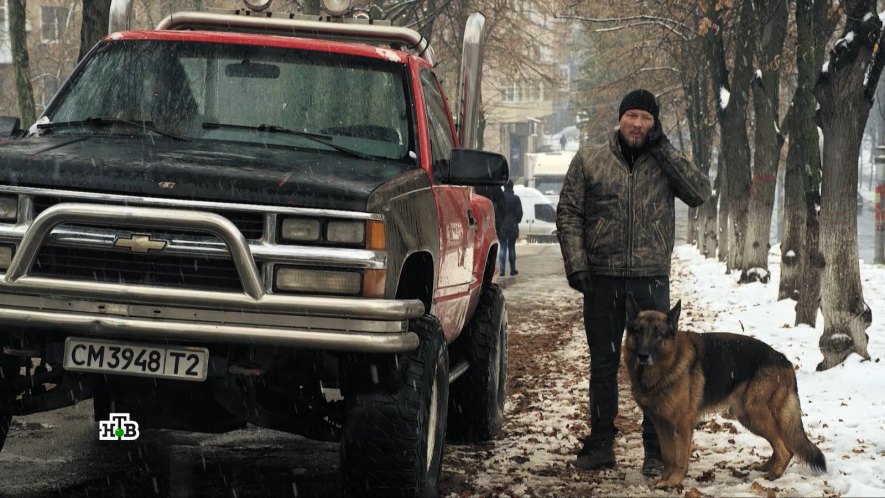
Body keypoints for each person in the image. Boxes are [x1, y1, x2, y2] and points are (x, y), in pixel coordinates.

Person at [555, 89, 711, 475]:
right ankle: (601, 443)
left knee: (656, 366)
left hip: (649, 281)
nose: (637, 124)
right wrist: (577, 265)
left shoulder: (664, 162)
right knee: (604, 364)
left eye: (645, 118)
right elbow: (569, 213)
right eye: (632, 116)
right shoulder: (590, 159)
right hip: (602, 281)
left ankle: (655, 450)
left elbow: (700, 193)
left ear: (654, 124)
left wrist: (666, 150)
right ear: (620, 118)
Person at [498, 180, 523, 277]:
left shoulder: (501, 198)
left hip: (502, 226)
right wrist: (516, 220)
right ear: (512, 187)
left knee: (503, 247)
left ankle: (502, 270)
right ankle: (513, 270)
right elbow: (519, 213)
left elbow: (497, 211)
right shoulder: (516, 199)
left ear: (504, 187)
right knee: (511, 247)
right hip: (513, 226)